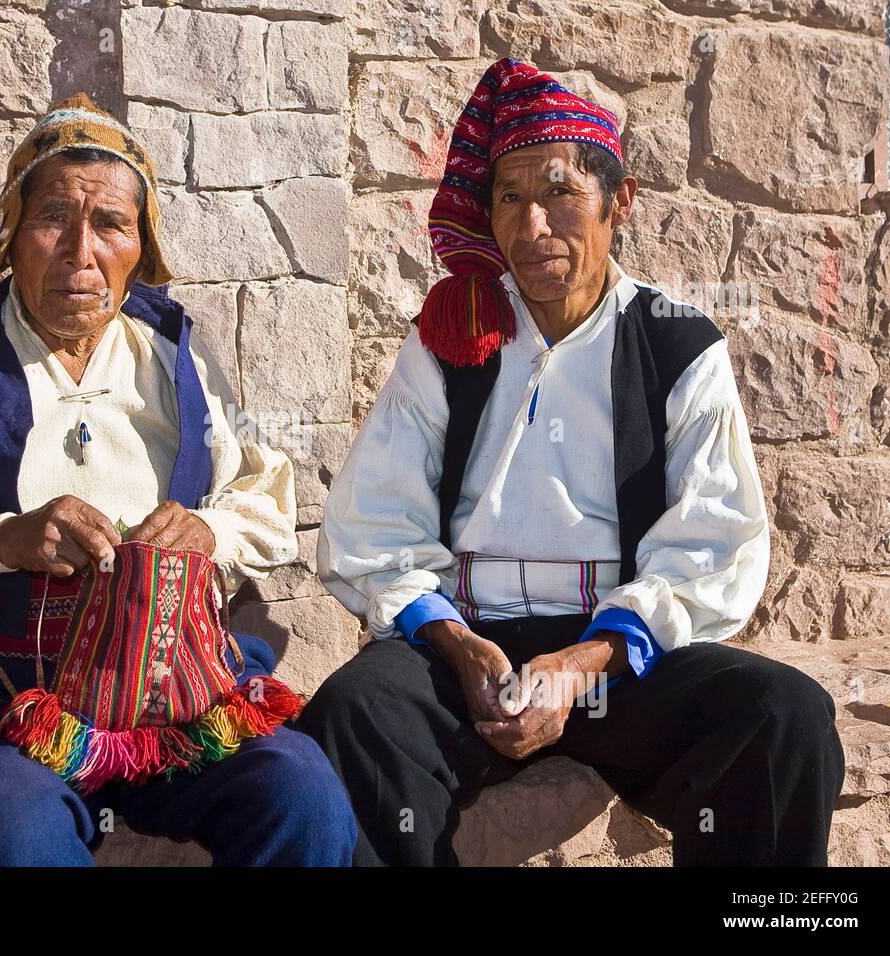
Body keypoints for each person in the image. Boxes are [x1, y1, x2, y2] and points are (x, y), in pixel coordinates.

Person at [296, 58, 843, 867]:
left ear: (620, 202)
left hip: (617, 655)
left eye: (559, 193)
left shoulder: (675, 342)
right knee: (353, 715)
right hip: (469, 649)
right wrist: (452, 642)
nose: (532, 227)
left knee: (783, 716)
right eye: (509, 200)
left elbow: (712, 540)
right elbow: (373, 522)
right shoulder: (452, 338)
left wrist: (584, 662)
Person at [0, 93, 356, 866]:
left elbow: (262, 499)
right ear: (12, 235)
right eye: (53, 219)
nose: (82, 250)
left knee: (300, 796)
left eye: (110, 224)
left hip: (179, 691)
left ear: (140, 244)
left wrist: (208, 531)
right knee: (9, 834)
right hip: (5, 697)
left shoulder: (178, 354)